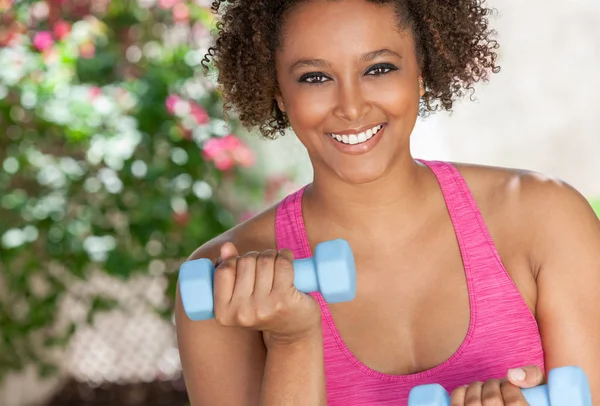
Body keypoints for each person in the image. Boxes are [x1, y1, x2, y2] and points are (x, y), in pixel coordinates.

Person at [174, 0, 600, 405]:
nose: (352, 106)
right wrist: (292, 341)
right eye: (315, 77)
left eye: (378, 69)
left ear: (421, 71)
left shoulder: (546, 218)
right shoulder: (221, 285)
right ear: (279, 93)